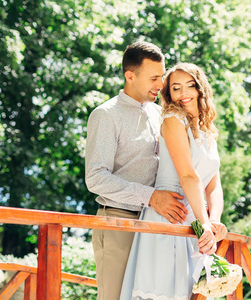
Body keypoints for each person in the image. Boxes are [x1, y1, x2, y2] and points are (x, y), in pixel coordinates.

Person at [85, 41, 189, 300]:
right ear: (129, 76)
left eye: (162, 76)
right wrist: (151, 197)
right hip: (119, 223)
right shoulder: (106, 115)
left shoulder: (161, 114)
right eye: (154, 77)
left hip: (155, 227)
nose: (161, 84)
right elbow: (95, 178)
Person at [120, 63, 228, 300]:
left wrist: (214, 221)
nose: (183, 94)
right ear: (169, 94)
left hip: (195, 222)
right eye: (176, 88)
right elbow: (188, 175)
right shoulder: (172, 118)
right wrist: (205, 223)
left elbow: (214, 185)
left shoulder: (208, 130)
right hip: (169, 215)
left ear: (201, 89)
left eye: (190, 86)